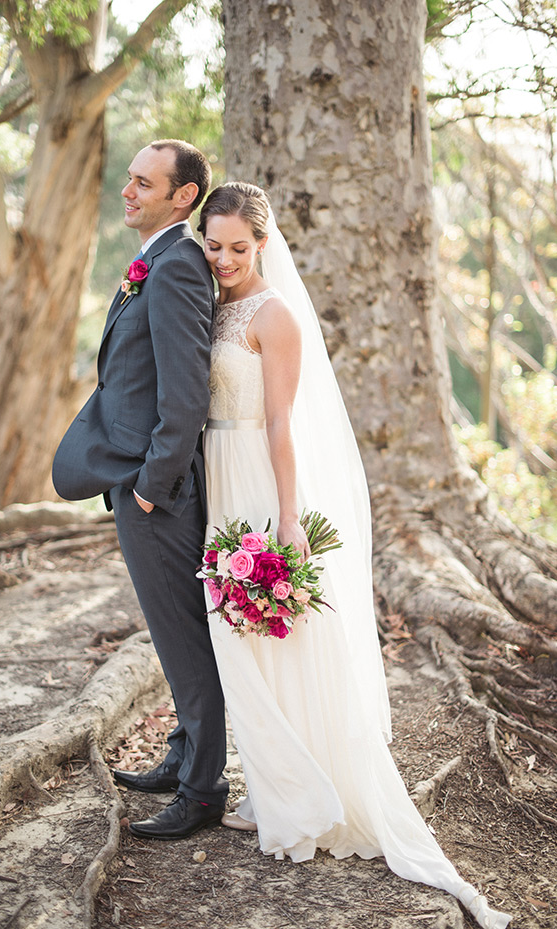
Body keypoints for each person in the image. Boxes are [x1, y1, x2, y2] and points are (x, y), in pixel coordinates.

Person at [195, 181, 511, 929]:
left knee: (266, 636)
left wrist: (286, 517)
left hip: (256, 478)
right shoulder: (210, 303)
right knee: (233, 640)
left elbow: (281, 422)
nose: (226, 257)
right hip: (214, 475)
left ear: (263, 244)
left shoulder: (275, 316)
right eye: (215, 243)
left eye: (240, 246)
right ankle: (276, 784)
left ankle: (304, 795)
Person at [52, 140, 228, 839]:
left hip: (158, 489)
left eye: (143, 182)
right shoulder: (154, 261)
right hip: (140, 480)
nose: (127, 190)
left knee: (187, 641)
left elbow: (186, 396)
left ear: (183, 196)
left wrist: (151, 485)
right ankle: (183, 754)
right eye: (128, 178)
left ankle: (202, 787)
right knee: (172, 633)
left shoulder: (178, 265)